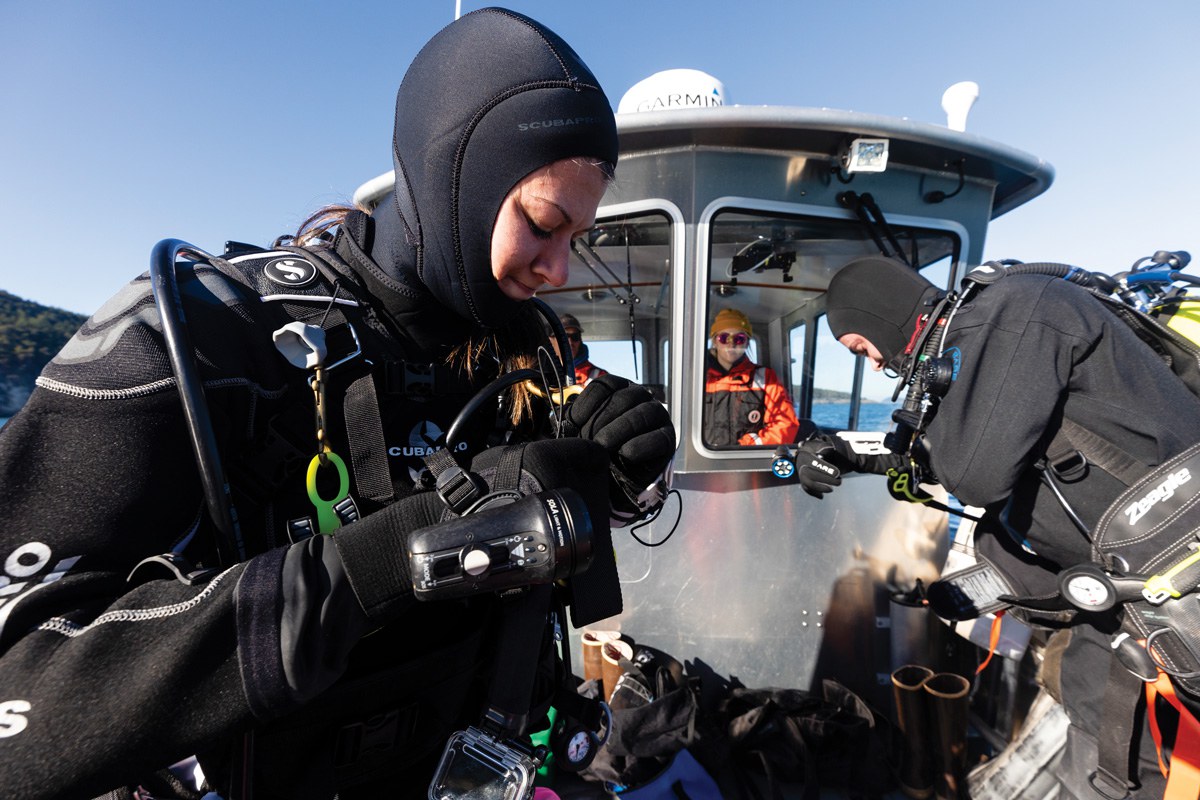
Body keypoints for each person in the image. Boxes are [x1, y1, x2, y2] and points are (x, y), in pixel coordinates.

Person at [0, 9, 676, 800]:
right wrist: (379, 563)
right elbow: (22, 698)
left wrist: (617, 467)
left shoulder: (531, 352)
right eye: (541, 224)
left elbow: (546, 536)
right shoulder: (207, 341)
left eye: (576, 239)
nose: (558, 270)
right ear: (459, 173)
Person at [799, 254, 1200, 799]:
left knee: (1119, 742)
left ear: (878, 315)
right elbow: (956, 449)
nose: (872, 365)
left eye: (859, 347)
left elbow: (973, 472)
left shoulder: (1017, 312)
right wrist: (848, 450)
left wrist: (919, 436)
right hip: (1123, 589)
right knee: (1091, 708)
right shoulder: (981, 345)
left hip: (1172, 578)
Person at [703, 307, 799, 447]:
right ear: (715, 342)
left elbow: (785, 425)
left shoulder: (765, 377)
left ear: (747, 342)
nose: (732, 343)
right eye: (724, 337)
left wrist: (747, 446)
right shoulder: (696, 378)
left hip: (748, 461)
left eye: (739, 338)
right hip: (702, 462)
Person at [559, 313, 608, 387]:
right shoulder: (544, 374)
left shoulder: (600, 376)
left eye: (575, 336)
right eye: (565, 337)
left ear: (580, 340)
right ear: (553, 340)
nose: (570, 342)